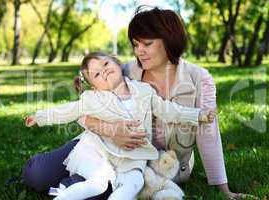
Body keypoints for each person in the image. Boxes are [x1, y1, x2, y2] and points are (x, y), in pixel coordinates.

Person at [76, 6, 255, 200]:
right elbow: (84, 112)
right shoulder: (126, 72)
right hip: (113, 155)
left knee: (92, 191)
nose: (139, 51)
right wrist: (109, 127)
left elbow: (208, 134)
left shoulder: (199, 78)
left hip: (162, 169)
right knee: (41, 174)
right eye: (136, 45)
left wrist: (224, 190)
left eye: (147, 44)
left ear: (169, 40)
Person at [24, 52, 215, 200]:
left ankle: (74, 186)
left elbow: (170, 110)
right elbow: (67, 110)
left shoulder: (144, 91)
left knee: (134, 182)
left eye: (106, 64)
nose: (104, 70)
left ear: (116, 62)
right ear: (94, 86)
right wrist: (39, 117)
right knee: (99, 183)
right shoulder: (93, 98)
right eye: (97, 74)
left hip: (132, 157)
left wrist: (198, 115)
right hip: (98, 152)